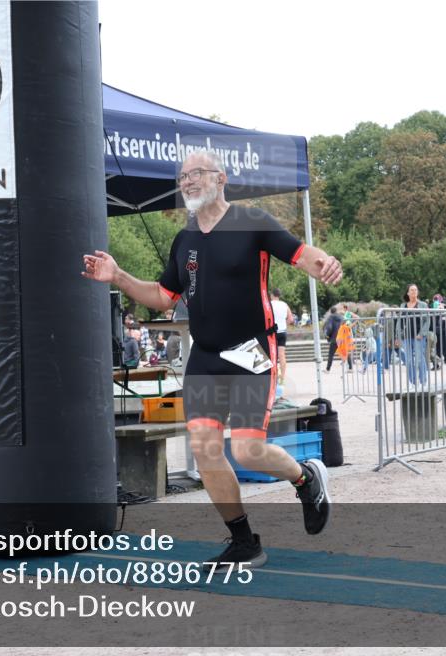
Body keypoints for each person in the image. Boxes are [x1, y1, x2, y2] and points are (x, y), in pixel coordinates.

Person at [82, 149, 342, 569]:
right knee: (204, 450)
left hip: (251, 353)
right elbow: (162, 297)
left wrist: (324, 264)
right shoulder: (184, 239)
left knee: (247, 451)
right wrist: (118, 276)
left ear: (220, 178)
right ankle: (244, 542)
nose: (187, 181)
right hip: (205, 355)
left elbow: (300, 253)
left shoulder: (251, 221)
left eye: (196, 174)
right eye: (182, 176)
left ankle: (305, 477)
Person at [399, 284, 431, 387]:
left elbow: (427, 321)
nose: (414, 292)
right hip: (406, 336)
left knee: (419, 358)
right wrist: (397, 336)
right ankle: (413, 382)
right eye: (411, 290)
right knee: (408, 360)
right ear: (408, 293)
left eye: (415, 290)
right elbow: (399, 322)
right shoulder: (403, 306)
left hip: (419, 336)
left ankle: (423, 382)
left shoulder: (423, 305)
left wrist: (421, 333)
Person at [270, 289, 295, 385]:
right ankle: (282, 379)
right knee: (282, 355)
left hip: (272, 332)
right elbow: (291, 319)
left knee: (272, 355)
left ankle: (274, 377)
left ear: (272, 295)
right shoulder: (284, 305)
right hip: (282, 332)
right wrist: (283, 324)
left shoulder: (269, 304)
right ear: (279, 295)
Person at [323, 306, 343, 373]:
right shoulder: (341, 317)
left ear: (331, 311)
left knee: (331, 355)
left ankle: (328, 369)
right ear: (336, 311)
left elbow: (329, 327)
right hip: (341, 338)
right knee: (344, 352)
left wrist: (327, 335)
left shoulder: (331, 317)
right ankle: (350, 367)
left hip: (334, 339)